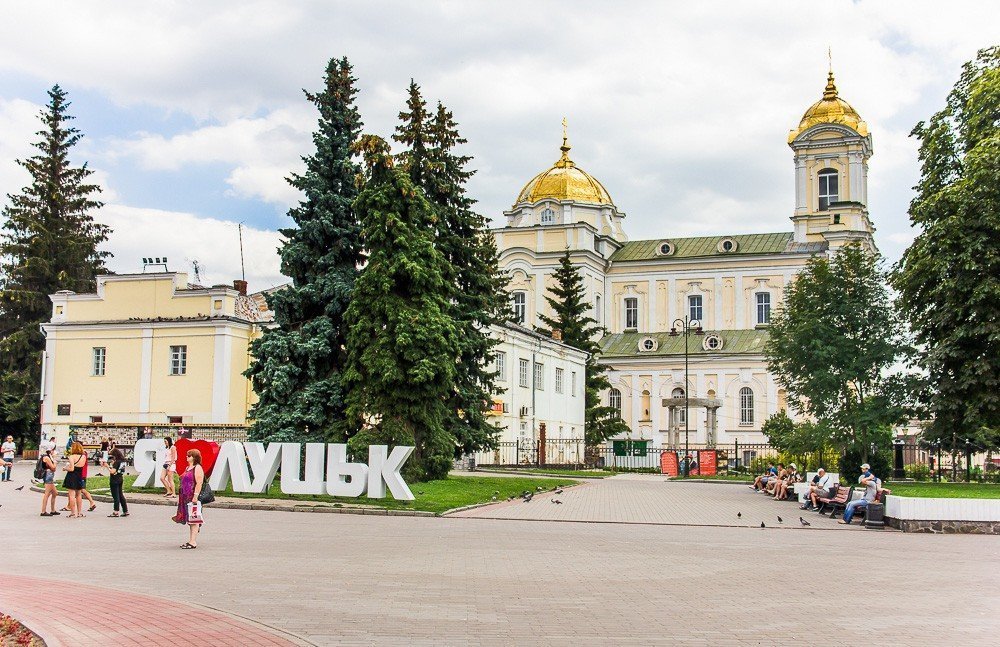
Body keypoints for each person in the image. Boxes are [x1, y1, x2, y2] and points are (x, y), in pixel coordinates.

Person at [173, 448, 205, 549]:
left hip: (192, 497)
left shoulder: (197, 468)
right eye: (187, 455)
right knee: (190, 519)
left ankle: (193, 541)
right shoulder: (188, 467)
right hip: (185, 496)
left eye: (189, 456)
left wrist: (195, 496)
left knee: (193, 520)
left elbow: (199, 482)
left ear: (194, 457)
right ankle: (191, 539)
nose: (187, 457)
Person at [63, 442, 87, 517]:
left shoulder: (71, 456)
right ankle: (79, 512)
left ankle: (73, 513)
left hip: (72, 476)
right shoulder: (83, 457)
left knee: (72, 495)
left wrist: (65, 468)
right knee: (79, 494)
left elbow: (72, 468)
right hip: (79, 476)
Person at [107, 448, 129, 517]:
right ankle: (125, 510)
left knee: (115, 496)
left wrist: (107, 466)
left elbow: (112, 471)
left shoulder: (117, 462)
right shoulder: (122, 461)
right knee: (121, 495)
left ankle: (116, 511)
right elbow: (118, 469)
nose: (112, 457)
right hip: (120, 478)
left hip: (114, 479)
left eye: (112, 455)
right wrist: (112, 465)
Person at [40, 450, 60, 516]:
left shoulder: (49, 457)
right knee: (47, 493)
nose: (54, 452)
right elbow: (53, 468)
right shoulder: (47, 458)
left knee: (55, 493)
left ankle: (53, 510)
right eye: (53, 451)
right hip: (48, 475)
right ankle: (43, 511)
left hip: (50, 475)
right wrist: (55, 463)